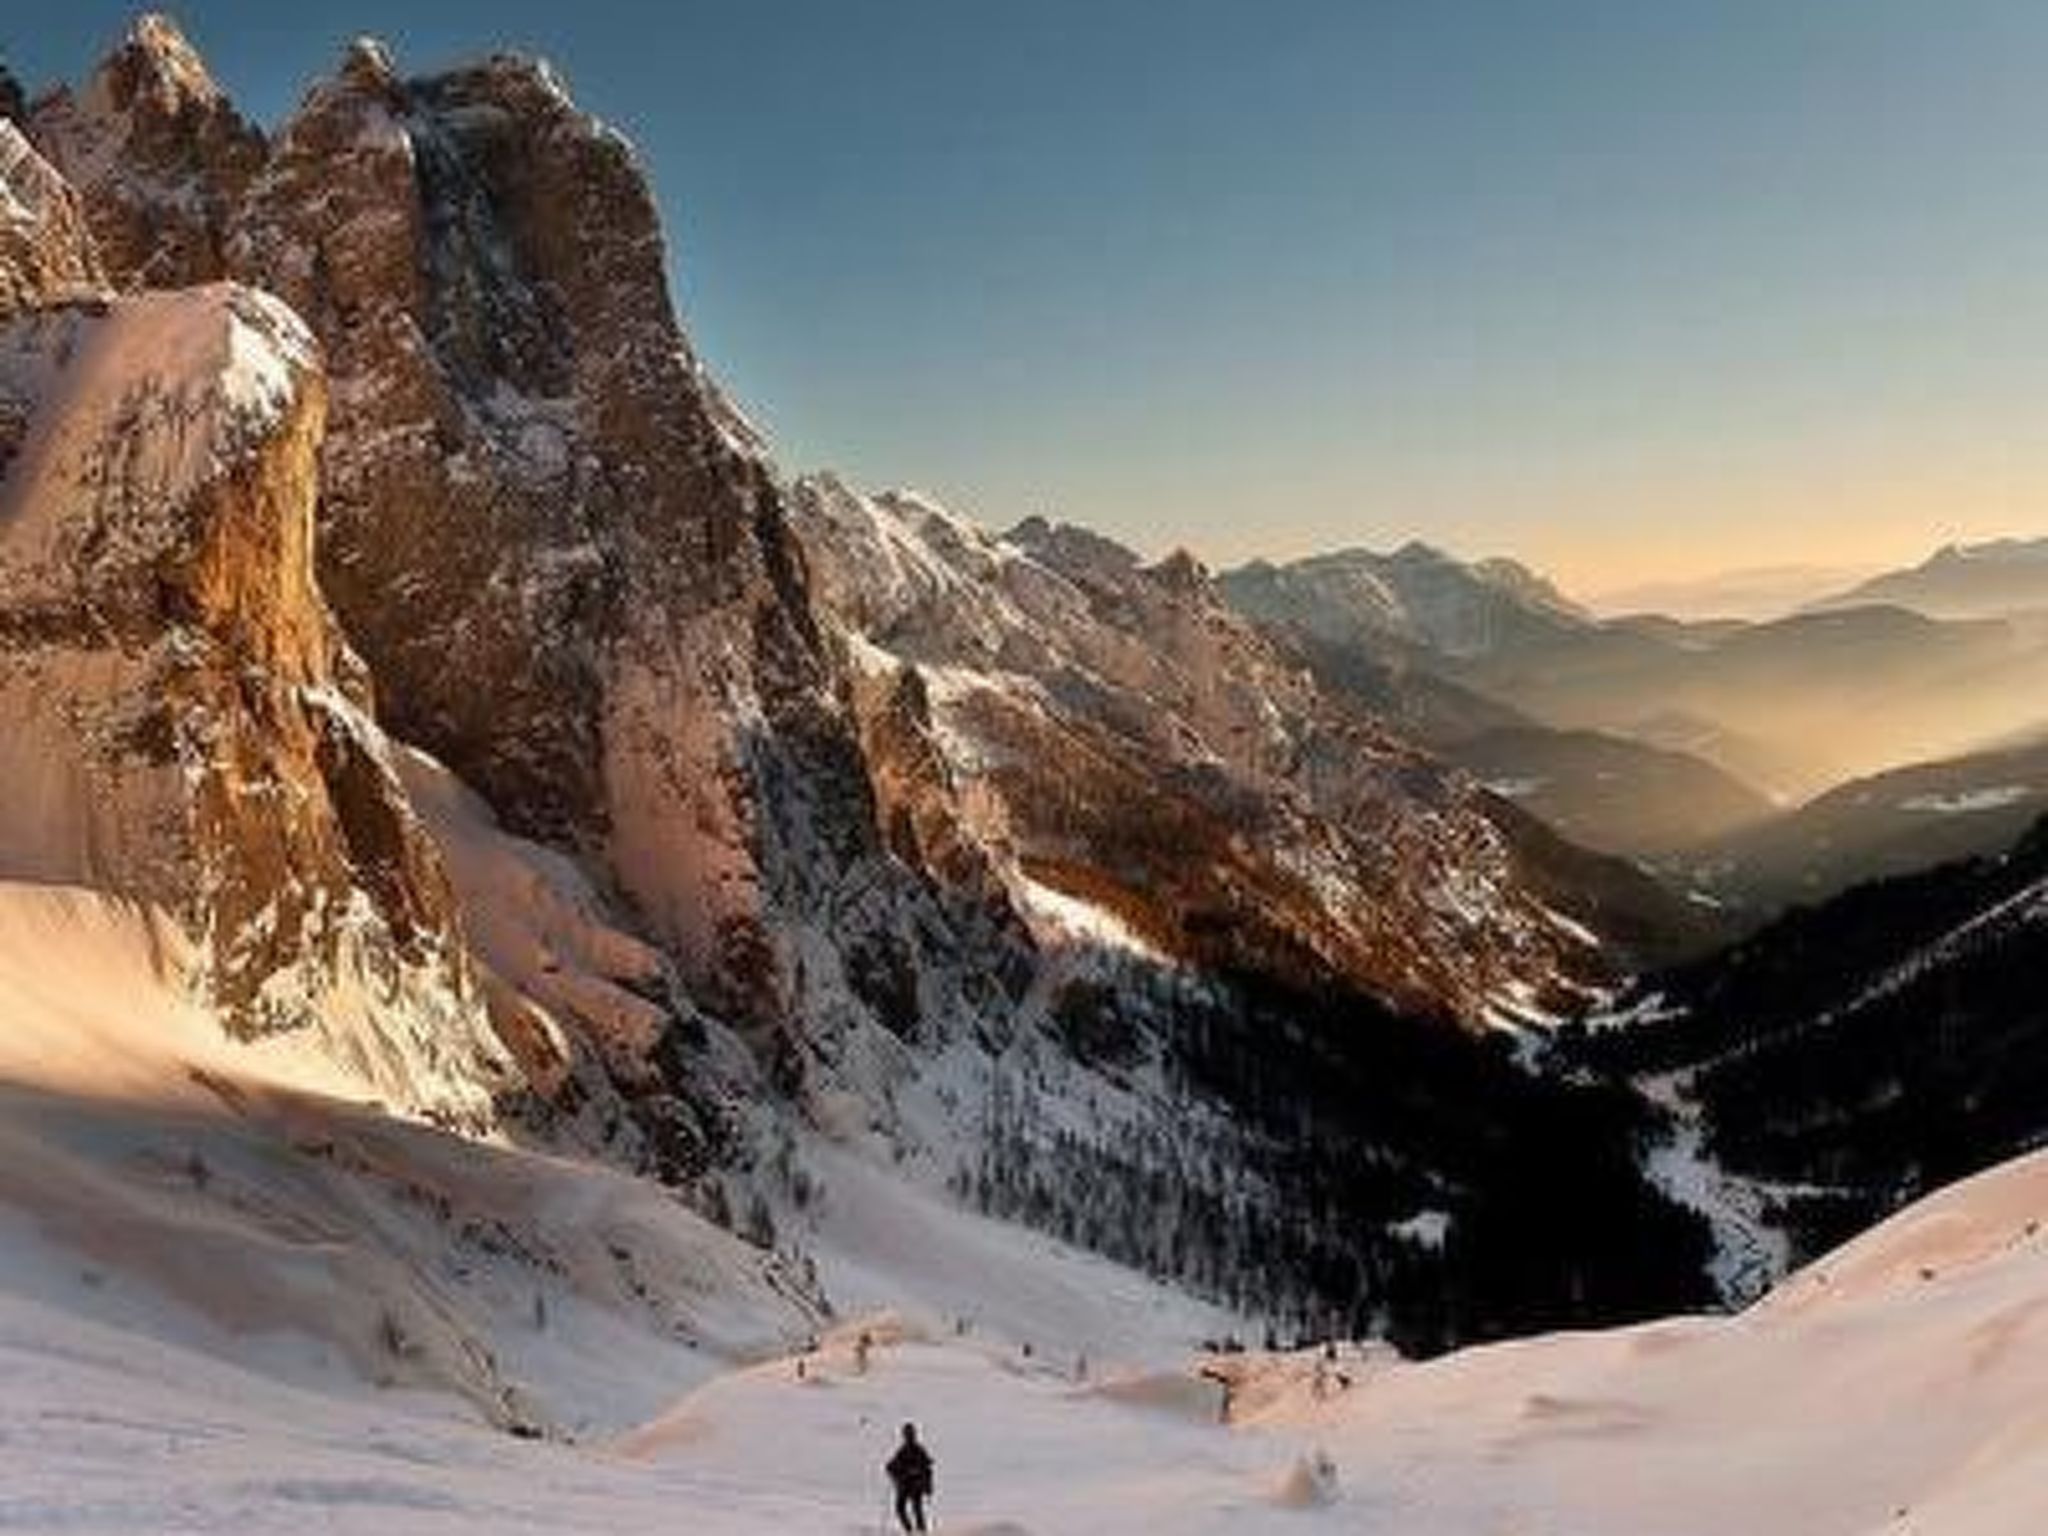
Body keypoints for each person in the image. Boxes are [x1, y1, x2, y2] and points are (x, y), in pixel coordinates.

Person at [883, 1421, 935, 1532]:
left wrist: (927, 1486)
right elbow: (893, 1464)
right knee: (906, 1509)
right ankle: (913, 1531)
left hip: (913, 1486)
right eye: (907, 1434)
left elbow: (927, 1469)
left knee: (912, 1509)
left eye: (908, 1434)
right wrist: (890, 1468)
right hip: (906, 1485)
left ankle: (916, 1531)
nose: (908, 1436)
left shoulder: (917, 1450)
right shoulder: (905, 1450)